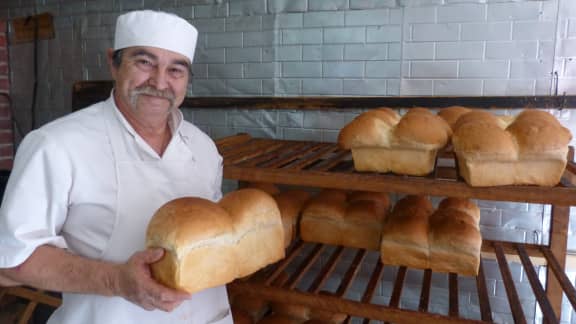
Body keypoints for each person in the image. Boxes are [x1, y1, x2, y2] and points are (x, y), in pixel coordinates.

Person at [0, 10, 231, 324]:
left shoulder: (203, 147)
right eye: (144, 62)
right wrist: (116, 281)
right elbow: (11, 261)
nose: (159, 81)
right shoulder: (56, 145)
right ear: (114, 62)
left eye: (176, 69)